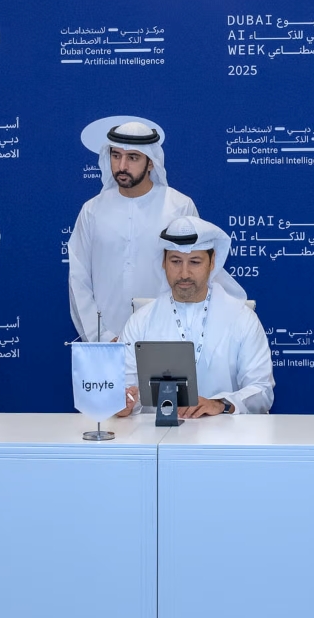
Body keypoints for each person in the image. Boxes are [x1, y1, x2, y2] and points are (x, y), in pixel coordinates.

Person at [117, 217, 273, 417]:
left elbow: (262, 391)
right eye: (175, 261)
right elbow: (126, 388)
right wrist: (126, 403)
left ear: (212, 262)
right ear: (163, 262)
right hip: (156, 433)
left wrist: (221, 404)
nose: (184, 273)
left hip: (223, 433)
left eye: (195, 262)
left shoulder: (242, 319)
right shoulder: (140, 321)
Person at [67, 120, 206, 341]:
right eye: (116, 156)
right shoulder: (92, 210)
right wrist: (101, 336)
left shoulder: (179, 207)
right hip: (106, 342)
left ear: (150, 162)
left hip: (165, 338)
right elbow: (79, 279)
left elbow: (194, 275)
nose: (122, 166)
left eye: (132, 157)